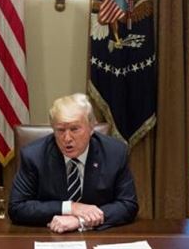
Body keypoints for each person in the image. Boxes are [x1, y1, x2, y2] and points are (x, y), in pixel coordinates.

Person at [9, 93, 138, 233]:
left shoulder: (115, 153)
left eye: (74, 129)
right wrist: (70, 207)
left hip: (98, 236)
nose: (67, 138)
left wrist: (81, 221)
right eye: (60, 130)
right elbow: (17, 207)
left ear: (91, 127)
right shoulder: (34, 156)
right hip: (49, 235)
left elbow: (128, 205)